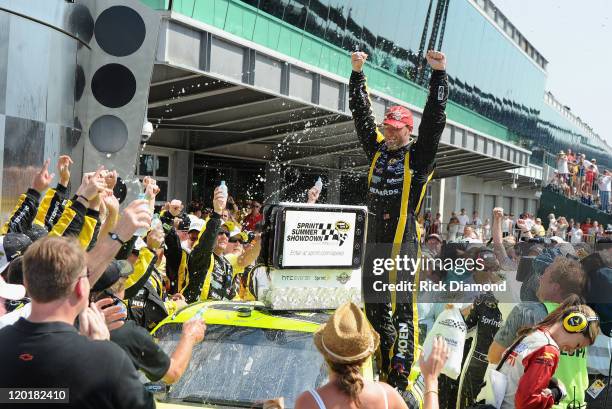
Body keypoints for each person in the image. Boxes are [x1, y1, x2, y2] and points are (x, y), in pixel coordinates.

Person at [349, 49, 448, 388]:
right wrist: (358, 74)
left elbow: (434, 123)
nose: (388, 135)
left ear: (407, 130)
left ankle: (403, 374)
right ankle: (383, 362)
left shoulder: (419, 157)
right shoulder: (377, 149)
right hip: (374, 241)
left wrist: (438, 76)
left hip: (403, 242)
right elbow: (362, 116)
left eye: (394, 130)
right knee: (373, 308)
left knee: (402, 310)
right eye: (386, 129)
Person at [0, 234, 154, 408]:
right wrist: (101, 353)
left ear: (26, 283)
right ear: (81, 287)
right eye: (87, 276)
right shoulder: (107, 359)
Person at [488, 259, 590, 409]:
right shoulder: (583, 318)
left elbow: (494, 356)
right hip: (576, 403)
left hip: (540, 403)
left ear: (555, 287)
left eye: (545, 276)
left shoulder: (526, 311)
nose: (539, 278)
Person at [92, 261, 206, 384]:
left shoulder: (73, 322)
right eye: (125, 284)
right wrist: (189, 336)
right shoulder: (128, 335)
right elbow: (173, 373)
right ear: (118, 291)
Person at [294, 302, 410, 409]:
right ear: (365, 358)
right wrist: (428, 381)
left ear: (325, 355)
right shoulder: (387, 395)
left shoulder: (309, 402)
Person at [498, 296, 599, 409]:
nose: (571, 351)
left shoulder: (532, 335)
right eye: (577, 345)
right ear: (573, 324)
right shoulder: (548, 349)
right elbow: (527, 403)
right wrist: (556, 394)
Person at [183, 187, 240, 303]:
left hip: (216, 316)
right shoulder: (201, 256)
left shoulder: (227, 265)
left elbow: (231, 296)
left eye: (227, 234)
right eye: (220, 233)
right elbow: (207, 241)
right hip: (194, 314)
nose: (224, 237)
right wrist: (217, 213)